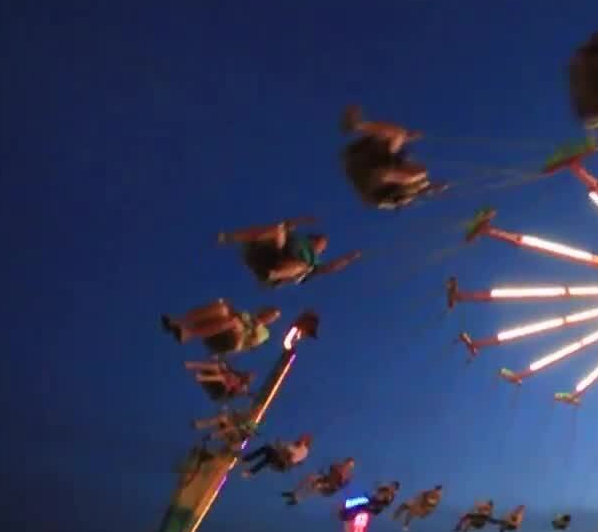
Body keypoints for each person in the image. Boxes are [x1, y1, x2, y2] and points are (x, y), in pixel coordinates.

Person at [340, 105, 446, 210]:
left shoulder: (382, 185)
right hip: (375, 159)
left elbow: (403, 185)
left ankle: (358, 127)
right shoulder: (396, 165)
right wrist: (404, 138)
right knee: (399, 134)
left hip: (365, 167)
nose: (410, 161)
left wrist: (423, 187)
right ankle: (357, 125)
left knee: (409, 176)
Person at [218, 218, 362, 288]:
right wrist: (303, 221)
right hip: (277, 252)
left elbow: (330, 267)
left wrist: (349, 258)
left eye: (322, 245)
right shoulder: (300, 240)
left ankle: (271, 275)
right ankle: (229, 237)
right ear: (311, 239)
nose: (319, 245)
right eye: (318, 241)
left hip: (285, 267)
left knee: (305, 266)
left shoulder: (314, 260)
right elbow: (287, 225)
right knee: (278, 228)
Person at [162, 300, 280, 357]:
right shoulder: (247, 314)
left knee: (233, 322)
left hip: (235, 341)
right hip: (225, 328)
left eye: (271, 316)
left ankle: (189, 333)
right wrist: (228, 307)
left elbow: (252, 343)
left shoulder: (265, 332)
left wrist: (255, 325)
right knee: (221, 308)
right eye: (268, 311)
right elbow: (234, 313)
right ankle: (179, 321)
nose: (268, 315)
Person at [282, 458, 354, 505]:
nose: (347, 466)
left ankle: (298, 499)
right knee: (310, 477)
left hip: (330, 487)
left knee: (315, 487)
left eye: (349, 465)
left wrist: (327, 485)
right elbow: (329, 473)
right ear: (345, 462)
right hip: (325, 479)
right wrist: (322, 473)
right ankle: (294, 493)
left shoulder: (348, 476)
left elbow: (339, 486)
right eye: (347, 463)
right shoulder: (337, 465)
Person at [184, 360, 254, 404]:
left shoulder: (242, 387)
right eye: (246, 373)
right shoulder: (237, 374)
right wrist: (223, 365)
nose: (245, 374)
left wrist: (227, 381)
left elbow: (229, 392)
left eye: (246, 375)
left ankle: (201, 378)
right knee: (216, 367)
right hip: (220, 381)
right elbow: (228, 371)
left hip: (220, 391)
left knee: (222, 378)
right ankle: (192, 365)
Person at [241, 434, 311, 477]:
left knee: (269, 458)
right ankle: (247, 462)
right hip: (279, 456)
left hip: (283, 463)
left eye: (302, 438)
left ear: (305, 441)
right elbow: (284, 447)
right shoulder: (294, 444)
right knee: (267, 451)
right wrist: (279, 445)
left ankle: (249, 469)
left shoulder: (304, 451)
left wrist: (283, 450)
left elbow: (292, 459)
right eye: (301, 437)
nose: (300, 438)